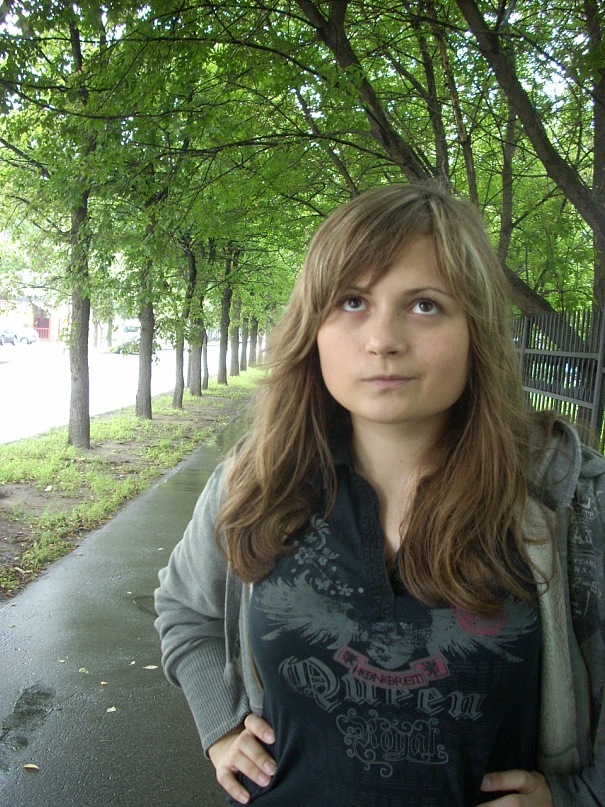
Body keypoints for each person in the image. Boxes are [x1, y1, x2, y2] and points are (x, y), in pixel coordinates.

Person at [154, 183, 605, 806]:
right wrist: (221, 725)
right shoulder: (257, 479)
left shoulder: (567, 498)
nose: (383, 339)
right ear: (313, 326)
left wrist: (578, 797)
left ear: (475, 329)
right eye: (352, 301)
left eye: (424, 305)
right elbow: (186, 610)